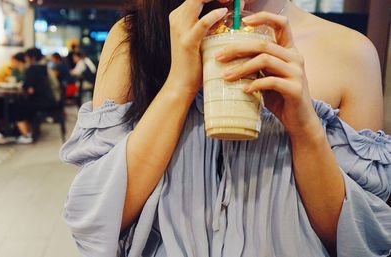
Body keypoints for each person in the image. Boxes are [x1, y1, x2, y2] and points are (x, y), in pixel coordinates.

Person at [60, 0, 391, 257]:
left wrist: (305, 128)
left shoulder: (350, 53)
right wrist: (179, 85)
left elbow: (362, 240)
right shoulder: (135, 37)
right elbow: (96, 220)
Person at [10, 48, 58, 144]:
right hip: (49, 100)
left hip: (41, 102)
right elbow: (31, 88)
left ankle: (26, 135)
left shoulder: (33, 68)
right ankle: (30, 132)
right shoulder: (43, 67)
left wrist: (27, 87)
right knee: (22, 104)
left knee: (15, 108)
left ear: (32, 57)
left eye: (27, 56)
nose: (26, 59)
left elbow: (27, 86)